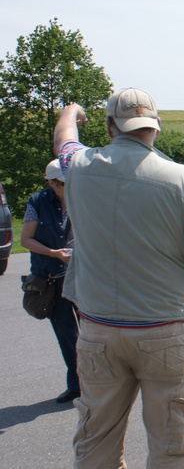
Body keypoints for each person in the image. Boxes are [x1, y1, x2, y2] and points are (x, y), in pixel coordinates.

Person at [52, 88, 184, 469]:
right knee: (170, 445)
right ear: (156, 126)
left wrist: (71, 110)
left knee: (96, 442)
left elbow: (63, 140)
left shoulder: (78, 165)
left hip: (98, 327)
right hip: (163, 327)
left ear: (110, 126)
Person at [20, 159, 80, 404]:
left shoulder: (82, 197)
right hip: (52, 278)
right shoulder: (37, 202)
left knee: (94, 333)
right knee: (67, 335)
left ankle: (100, 384)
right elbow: (25, 240)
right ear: (51, 183)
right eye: (62, 184)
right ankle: (76, 385)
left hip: (82, 275)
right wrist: (54, 253)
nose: (68, 187)